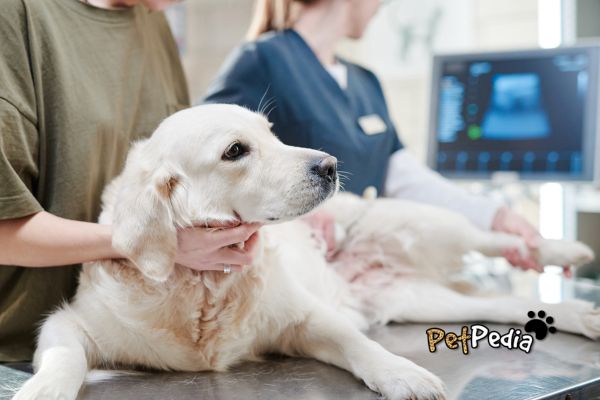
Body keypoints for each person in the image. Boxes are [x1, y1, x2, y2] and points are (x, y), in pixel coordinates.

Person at [0, 0, 260, 362]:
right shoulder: (15, 16)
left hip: (136, 341)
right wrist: (149, 240)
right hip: (22, 354)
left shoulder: (153, 21)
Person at [203, 0, 544, 271]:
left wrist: (495, 216)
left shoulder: (366, 81)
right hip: (300, 279)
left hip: (367, 273)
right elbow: (202, 167)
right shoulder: (261, 60)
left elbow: (404, 178)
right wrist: (297, 216)